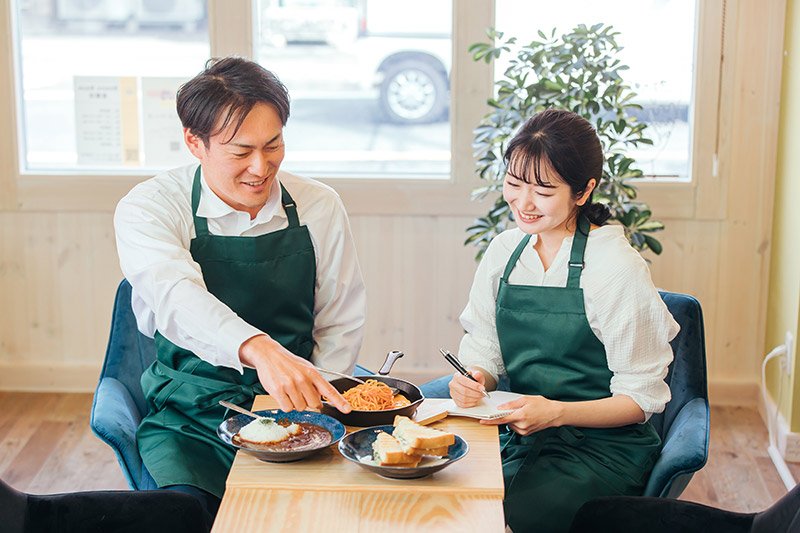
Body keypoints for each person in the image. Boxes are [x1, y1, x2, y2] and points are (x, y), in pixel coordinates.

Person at [113, 57, 366, 526]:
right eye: (239, 151)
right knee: (188, 513)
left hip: (300, 407)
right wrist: (258, 349)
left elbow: (340, 318)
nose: (260, 166)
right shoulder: (150, 207)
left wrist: (316, 409)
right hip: (193, 408)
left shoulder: (318, 205)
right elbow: (175, 296)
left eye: (274, 145)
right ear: (195, 142)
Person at [443, 109, 679, 533]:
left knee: (500, 519)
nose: (523, 203)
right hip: (520, 433)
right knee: (445, 502)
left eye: (544, 191)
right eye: (514, 184)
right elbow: (485, 348)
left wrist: (557, 414)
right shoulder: (505, 251)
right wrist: (476, 376)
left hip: (602, 450)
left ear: (583, 190)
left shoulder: (613, 266)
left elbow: (640, 401)